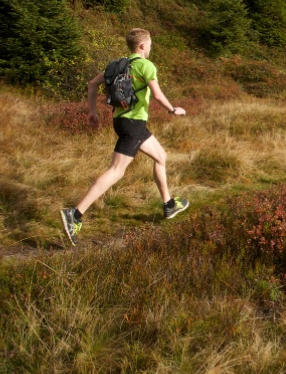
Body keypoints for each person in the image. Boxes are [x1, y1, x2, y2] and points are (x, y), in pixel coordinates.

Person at [60, 28, 189, 246]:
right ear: (142, 46)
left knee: (161, 156)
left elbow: (92, 84)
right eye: (149, 44)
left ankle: (168, 204)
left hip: (121, 121)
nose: (150, 48)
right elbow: (156, 94)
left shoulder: (117, 65)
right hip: (134, 124)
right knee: (116, 171)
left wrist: (93, 112)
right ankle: (75, 214)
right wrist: (173, 109)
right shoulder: (145, 65)